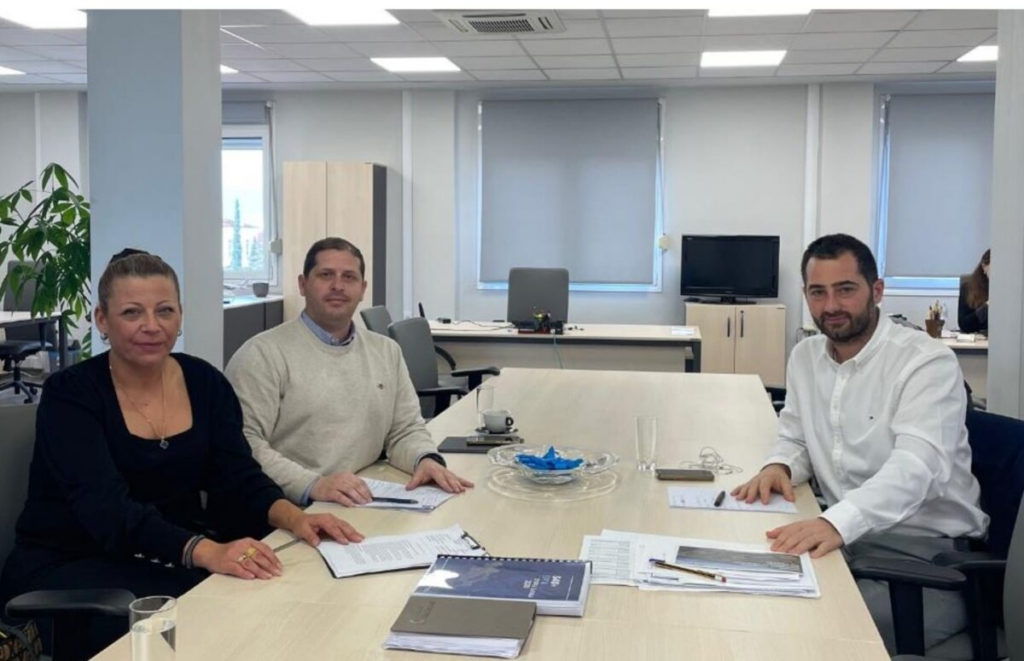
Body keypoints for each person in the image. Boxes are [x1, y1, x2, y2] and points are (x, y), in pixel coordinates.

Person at [0, 250, 363, 657]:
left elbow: (239, 475)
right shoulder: (70, 394)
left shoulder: (204, 382)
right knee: (219, 622)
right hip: (73, 568)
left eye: (165, 310)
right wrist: (207, 552)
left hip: (166, 556)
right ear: (102, 319)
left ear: (180, 316)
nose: (151, 326)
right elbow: (106, 511)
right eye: (132, 312)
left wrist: (298, 519)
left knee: (275, 595)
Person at [732, 234, 988, 653]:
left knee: (796, 637)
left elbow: (917, 469)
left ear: (877, 290)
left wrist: (836, 523)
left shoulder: (926, 361)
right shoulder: (805, 357)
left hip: (927, 565)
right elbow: (795, 435)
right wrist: (779, 466)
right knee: (744, 597)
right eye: (818, 292)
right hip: (848, 547)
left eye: (846, 289)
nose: (831, 305)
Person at [225, 238, 473, 507]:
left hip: (361, 498)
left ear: (362, 289)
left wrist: (424, 459)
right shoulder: (262, 354)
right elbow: (244, 444)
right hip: (289, 508)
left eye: (349, 277)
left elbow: (404, 429)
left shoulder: (386, 351)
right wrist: (313, 484)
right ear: (303, 284)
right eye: (326, 275)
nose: (338, 286)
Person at [958, 249, 990, 334]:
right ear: (984, 266)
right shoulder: (968, 288)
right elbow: (964, 324)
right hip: (978, 338)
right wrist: (986, 307)